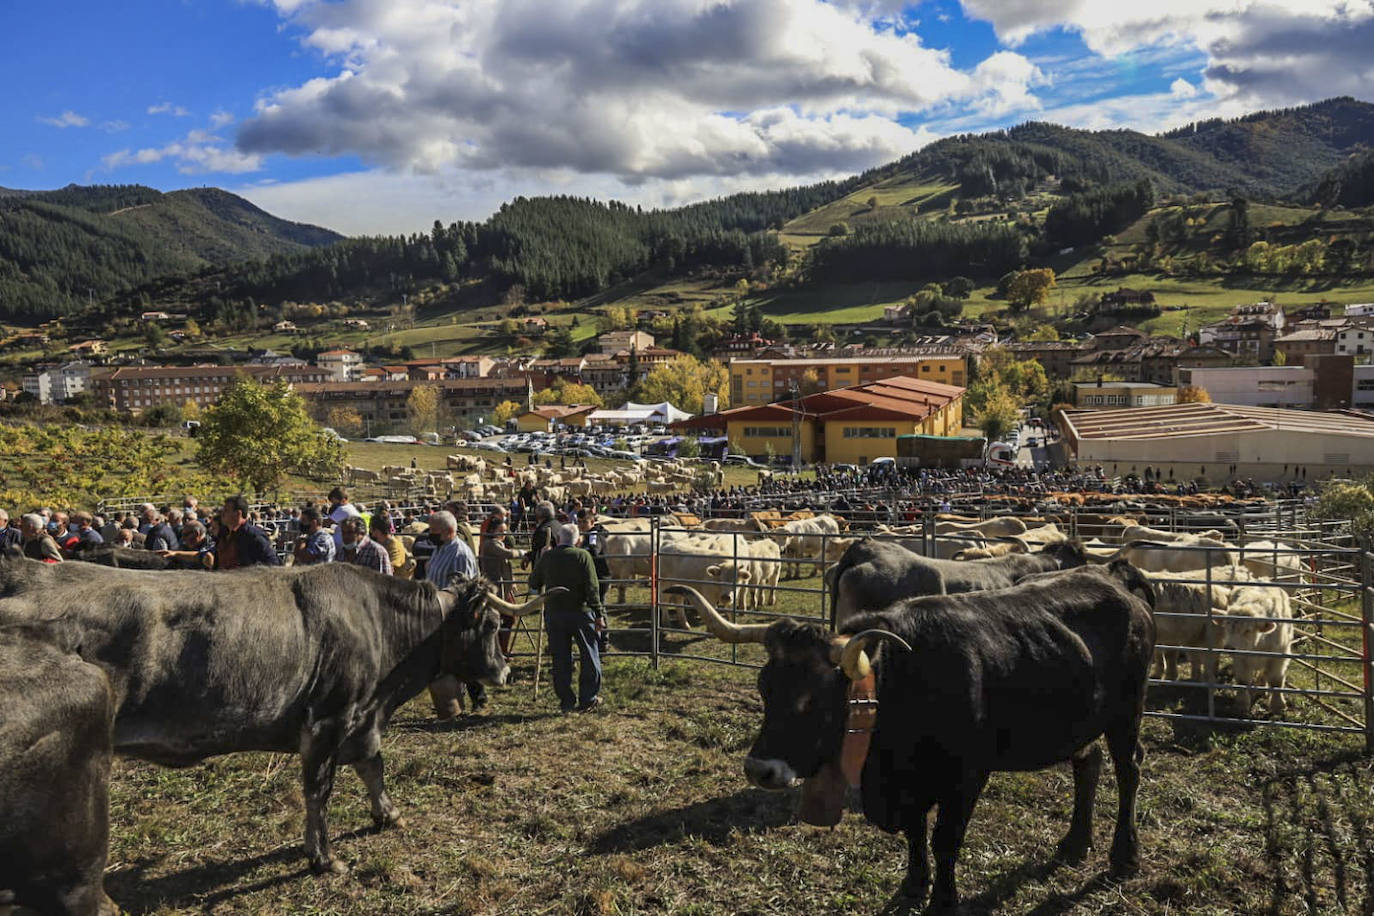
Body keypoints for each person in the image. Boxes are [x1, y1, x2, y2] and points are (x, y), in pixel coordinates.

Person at [530, 523, 604, 714]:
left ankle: (566, 701)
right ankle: (588, 699)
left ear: (558, 539)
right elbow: (592, 588)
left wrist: (542, 557)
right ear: (578, 540)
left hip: (555, 614)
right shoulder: (582, 556)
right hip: (581, 612)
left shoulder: (548, 557)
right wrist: (599, 613)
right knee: (589, 655)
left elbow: (533, 582)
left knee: (560, 658)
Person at [425, 510, 480, 717]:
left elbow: (463, 589)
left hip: (453, 614)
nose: (431, 535)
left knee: (463, 659)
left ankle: (476, 701)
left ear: (449, 531)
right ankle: (453, 702)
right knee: (448, 660)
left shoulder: (460, 554)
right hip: (437, 613)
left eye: (435, 532)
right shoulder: (440, 548)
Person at [213, 495, 281, 570]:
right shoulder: (223, 534)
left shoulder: (253, 536)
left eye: (226, 510)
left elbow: (272, 563)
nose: (222, 514)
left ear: (238, 514)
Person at [371, 514, 412, 578]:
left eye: (371, 528)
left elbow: (388, 570)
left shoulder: (394, 547)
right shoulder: (380, 543)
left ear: (377, 531)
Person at [326, 486, 362, 552]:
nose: (333, 505)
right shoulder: (350, 507)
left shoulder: (343, 509)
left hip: (341, 545)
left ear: (343, 500)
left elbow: (325, 523)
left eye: (334, 502)